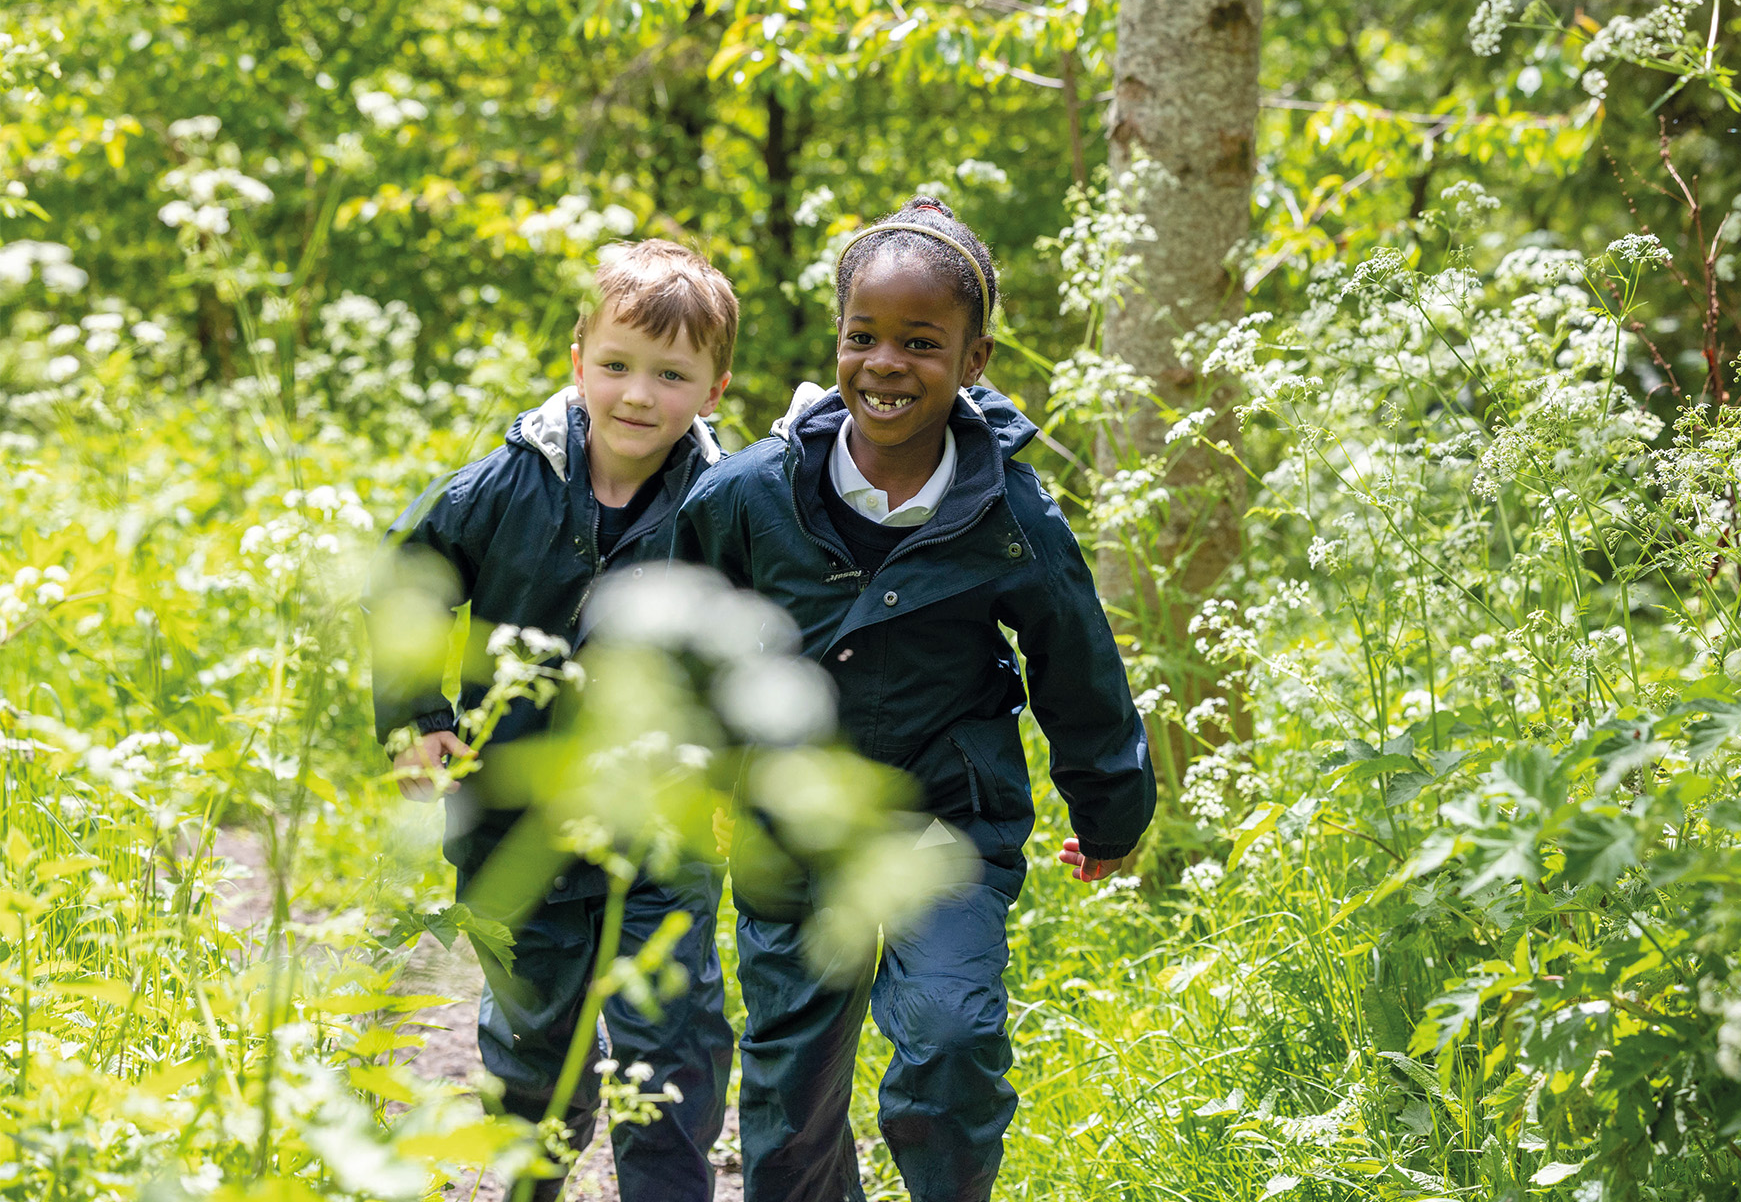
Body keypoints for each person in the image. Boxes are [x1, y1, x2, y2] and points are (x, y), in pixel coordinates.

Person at [675, 197, 1156, 1202]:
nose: (886, 363)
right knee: (791, 1084)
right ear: (837, 341)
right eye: (865, 337)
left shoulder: (1012, 511)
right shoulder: (750, 493)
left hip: (947, 815)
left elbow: (1077, 662)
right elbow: (690, 638)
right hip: (791, 825)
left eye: (921, 342)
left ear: (975, 359)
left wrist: (1110, 810)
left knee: (952, 1038)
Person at [368, 239, 738, 1202]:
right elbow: (406, 577)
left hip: (663, 819)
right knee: (535, 1051)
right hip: (511, 815)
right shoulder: (507, 482)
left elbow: (758, 646)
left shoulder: (726, 500)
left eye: (671, 375)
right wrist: (418, 716)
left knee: (671, 1042)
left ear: (713, 389)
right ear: (578, 360)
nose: (637, 395)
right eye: (616, 365)